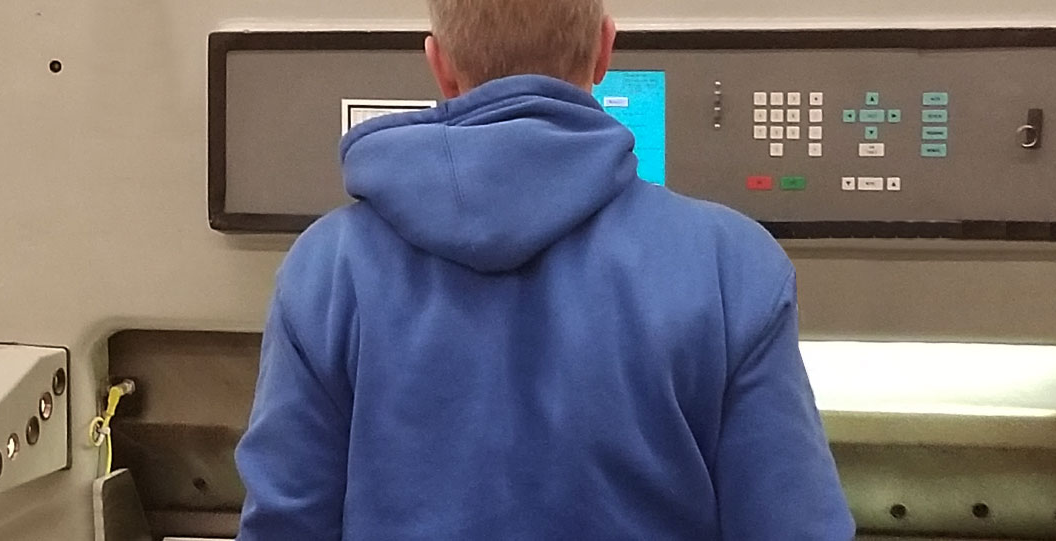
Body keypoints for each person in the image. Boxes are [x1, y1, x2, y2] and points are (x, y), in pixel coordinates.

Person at [235, 0, 855, 538]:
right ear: (605, 50)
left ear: (440, 64)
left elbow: (287, 524)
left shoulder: (327, 269)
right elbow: (793, 524)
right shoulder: (732, 265)